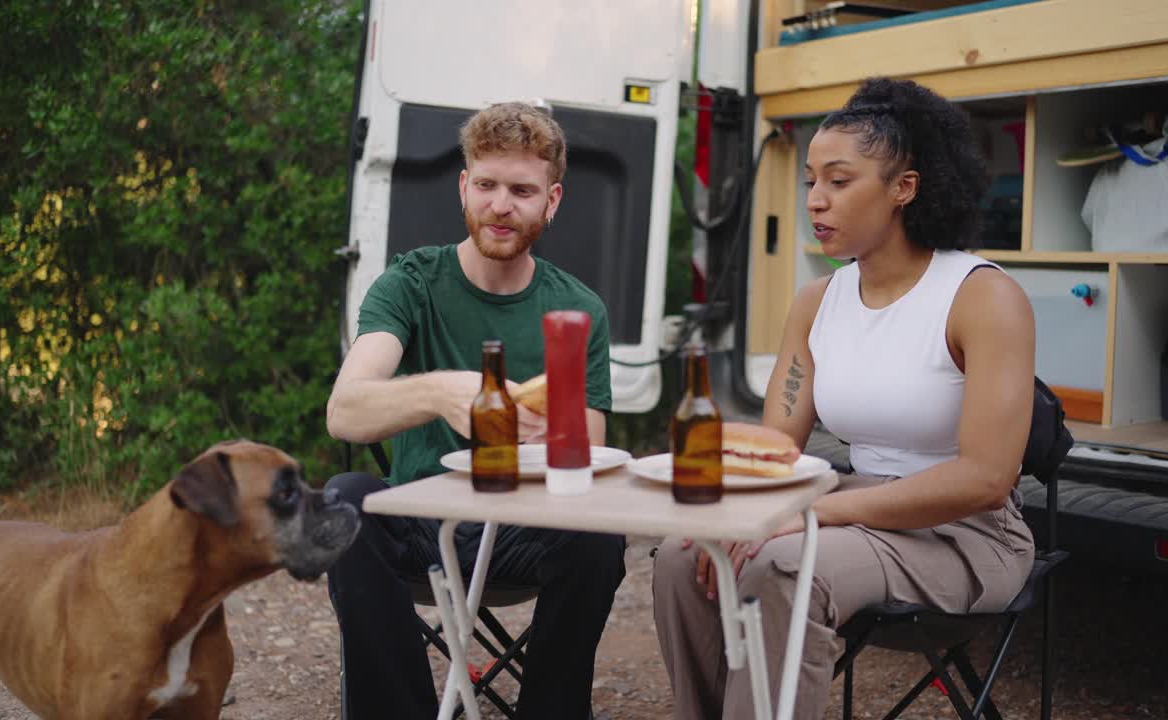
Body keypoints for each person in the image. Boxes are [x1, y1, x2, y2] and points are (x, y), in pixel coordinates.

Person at [651, 77, 1038, 719]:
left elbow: (987, 479)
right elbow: (777, 446)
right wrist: (707, 465)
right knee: (680, 553)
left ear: (903, 188)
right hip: (856, 507)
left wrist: (812, 515)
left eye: (838, 180)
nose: (815, 200)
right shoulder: (818, 301)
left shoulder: (981, 297)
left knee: (782, 565)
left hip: (966, 534)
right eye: (810, 181)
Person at [324, 102, 625, 720]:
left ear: (553, 200)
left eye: (521, 190)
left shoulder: (578, 309)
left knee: (598, 534)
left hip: (521, 532)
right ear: (464, 186)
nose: (500, 205)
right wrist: (441, 393)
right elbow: (345, 412)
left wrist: (549, 438)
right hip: (421, 519)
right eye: (486, 185)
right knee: (343, 498)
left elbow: (589, 466)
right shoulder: (411, 283)